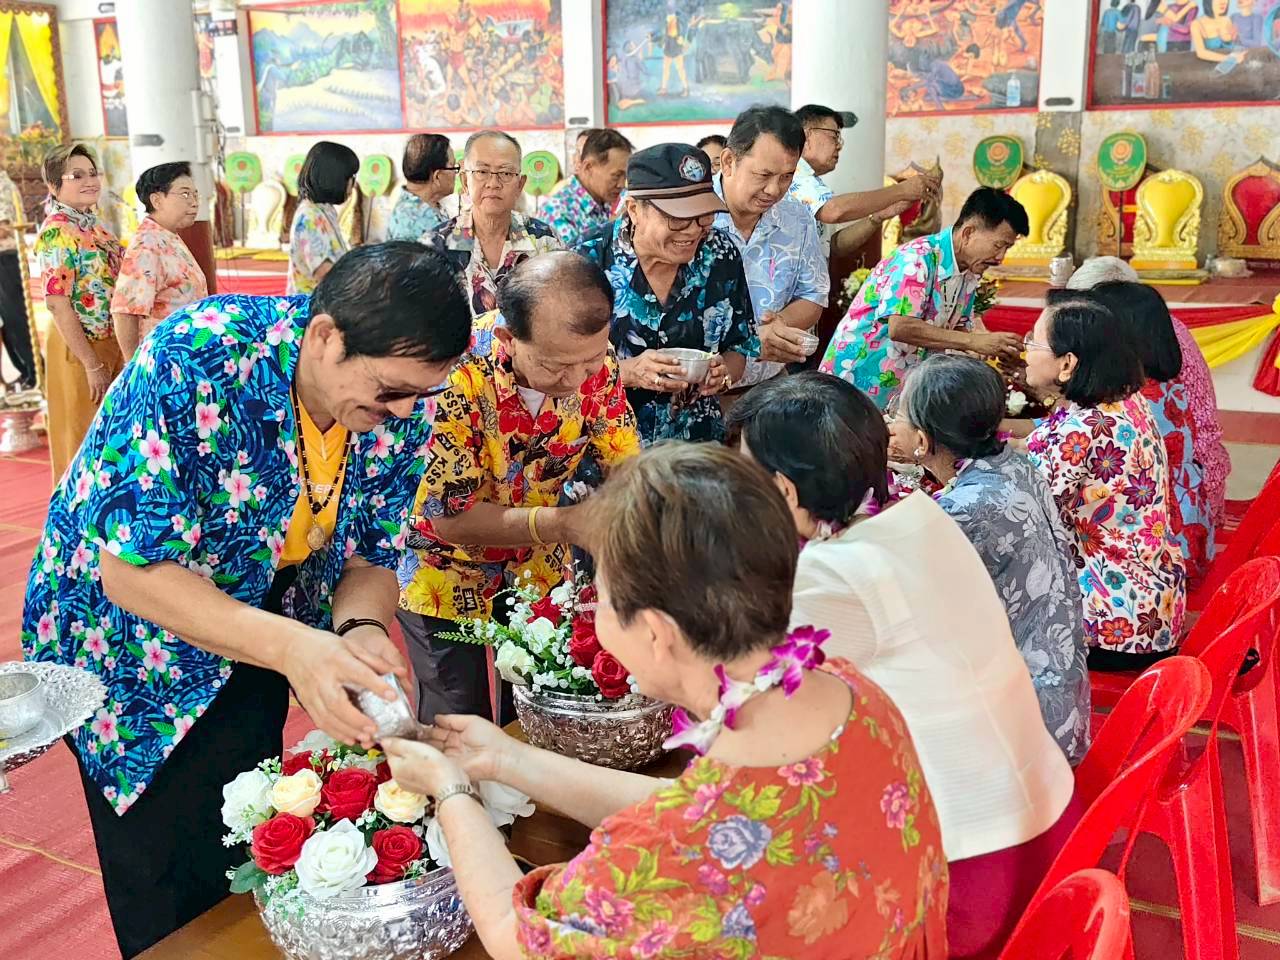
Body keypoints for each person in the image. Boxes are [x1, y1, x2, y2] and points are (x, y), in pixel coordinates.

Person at [21, 242, 472, 958]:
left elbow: (372, 554)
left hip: (264, 617)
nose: (406, 411)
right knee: (167, 870)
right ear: (324, 337)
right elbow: (131, 573)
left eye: (423, 393)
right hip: (130, 640)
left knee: (243, 827)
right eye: (390, 391)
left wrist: (357, 630)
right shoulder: (199, 355)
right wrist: (296, 647)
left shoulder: (401, 401)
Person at [383, 443, 949, 959]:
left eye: (601, 598)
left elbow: (519, 938)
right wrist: (505, 759)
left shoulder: (664, 858)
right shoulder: (851, 692)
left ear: (656, 632)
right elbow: (701, 808)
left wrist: (451, 789)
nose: (596, 617)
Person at [727, 371, 1078, 957]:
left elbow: (743, 695)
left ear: (784, 492)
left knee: (744, 889)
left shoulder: (836, 574)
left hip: (975, 875)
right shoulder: (918, 516)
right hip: (1043, 826)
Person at [398, 252, 641, 721]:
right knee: (460, 718)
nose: (576, 381)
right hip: (445, 569)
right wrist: (568, 523)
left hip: (537, 568)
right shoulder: (451, 375)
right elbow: (452, 519)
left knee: (542, 704)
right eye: (557, 367)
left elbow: (624, 461)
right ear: (509, 339)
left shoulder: (594, 361)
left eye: (591, 362)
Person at [889, 355, 1090, 764]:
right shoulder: (1015, 464)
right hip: (1061, 698)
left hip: (1026, 733)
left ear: (923, 440)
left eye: (899, 414)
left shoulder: (967, 508)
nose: (892, 421)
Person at [1024, 297, 1186, 671]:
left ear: (1067, 363)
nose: (1025, 351)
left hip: (1111, 622)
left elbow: (1024, 513)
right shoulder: (1123, 402)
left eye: (1033, 342)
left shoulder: (1083, 429)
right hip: (1150, 604)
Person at [577, 143, 756, 446]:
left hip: (694, 445)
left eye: (704, 216)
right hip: (607, 446)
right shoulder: (588, 259)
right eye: (678, 219)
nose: (694, 231)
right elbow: (557, 364)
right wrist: (627, 372)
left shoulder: (720, 253)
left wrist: (722, 373)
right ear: (635, 210)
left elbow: (739, 345)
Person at [1067, 257, 1229, 550]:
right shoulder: (1160, 336)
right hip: (1192, 500)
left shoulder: (1130, 388)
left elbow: (1073, 447)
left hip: (1161, 521)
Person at [821, 187, 1027, 409]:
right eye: (998, 245)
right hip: (858, 378)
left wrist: (991, 347)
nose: (1000, 258)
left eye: (1007, 248)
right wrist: (975, 342)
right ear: (968, 233)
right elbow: (901, 327)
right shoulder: (917, 258)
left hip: (902, 389)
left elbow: (957, 332)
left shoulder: (969, 274)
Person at [713, 105, 828, 383]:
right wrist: (747, 339)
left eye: (787, 177)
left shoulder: (797, 219)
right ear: (728, 162)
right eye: (763, 175)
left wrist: (779, 324)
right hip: (702, 389)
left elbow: (813, 294)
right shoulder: (692, 218)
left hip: (768, 382)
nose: (774, 190)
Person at [34, 143, 123, 481]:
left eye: (93, 173)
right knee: (81, 438)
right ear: (54, 186)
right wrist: (91, 363)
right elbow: (57, 303)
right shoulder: (58, 233)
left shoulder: (95, 226)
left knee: (109, 439)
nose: (90, 181)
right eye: (77, 176)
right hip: (78, 347)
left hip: (108, 342)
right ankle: (75, 512)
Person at [422, 129, 563, 318]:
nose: (493, 183)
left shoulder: (544, 240)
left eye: (505, 173)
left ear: (520, 185)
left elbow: (562, 311)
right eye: (482, 172)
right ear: (465, 181)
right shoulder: (434, 247)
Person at [790, 103, 940, 257]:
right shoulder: (792, 172)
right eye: (834, 136)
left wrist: (878, 216)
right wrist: (902, 190)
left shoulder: (812, 183)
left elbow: (835, 245)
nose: (839, 146)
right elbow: (834, 210)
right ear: (806, 137)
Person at [110, 162, 208, 359]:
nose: (194, 202)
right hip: (164, 358)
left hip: (186, 354)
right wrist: (134, 368)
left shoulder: (167, 236)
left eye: (195, 194)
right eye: (185, 194)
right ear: (156, 200)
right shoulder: (147, 245)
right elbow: (125, 312)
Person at [541, 128, 633, 246]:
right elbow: (572, 256)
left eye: (625, 176)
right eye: (616, 176)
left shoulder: (605, 203)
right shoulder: (557, 211)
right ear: (588, 167)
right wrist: (612, 229)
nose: (621, 184)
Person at [287, 141, 358, 295]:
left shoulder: (324, 210)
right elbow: (325, 273)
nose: (353, 184)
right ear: (333, 178)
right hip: (312, 305)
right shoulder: (309, 217)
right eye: (350, 177)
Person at [0, 139, 34, 391]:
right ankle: (25, 371)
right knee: (6, 322)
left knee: (16, 320)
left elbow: (3, 229)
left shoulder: (2, 185)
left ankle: (34, 371)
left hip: (6, 258)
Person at [387, 133, 457, 242]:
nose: (456, 173)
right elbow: (463, 248)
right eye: (453, 166)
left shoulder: (411, 204)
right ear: (437, 176)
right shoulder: (426, 222)